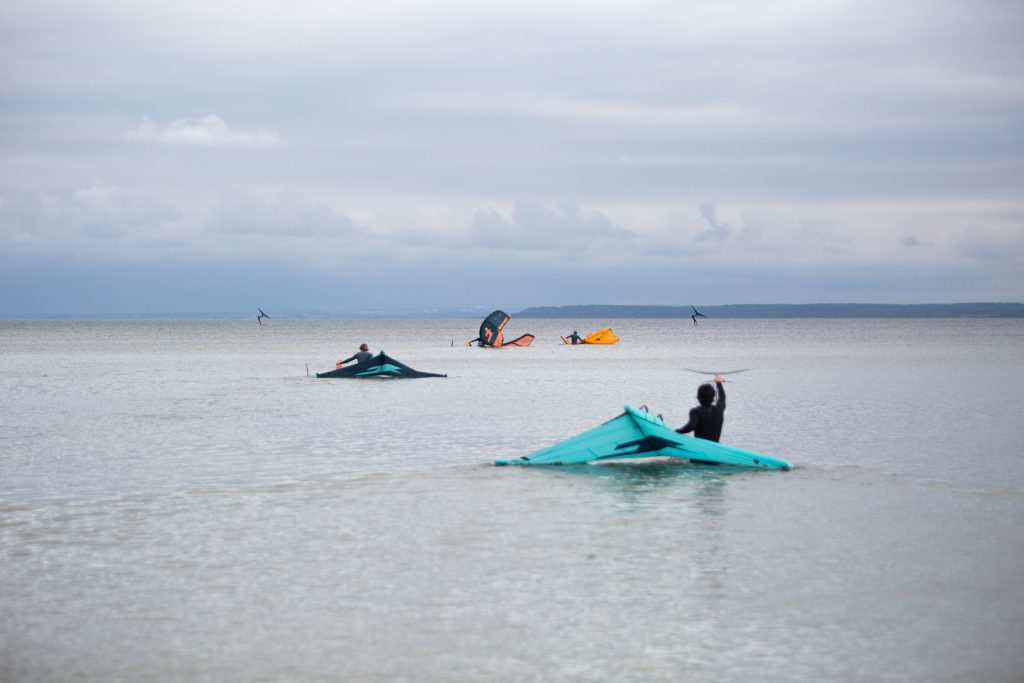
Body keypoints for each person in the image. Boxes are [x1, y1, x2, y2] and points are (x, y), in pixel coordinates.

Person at [676, 375, 726, 442]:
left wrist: (677, 431)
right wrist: (719, 383)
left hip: (701, 448)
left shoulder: (695, 411)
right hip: (715, 448)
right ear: (713, 397)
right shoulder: (719, 410)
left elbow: (691, 426)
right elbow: (722, 398)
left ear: (698, 397)